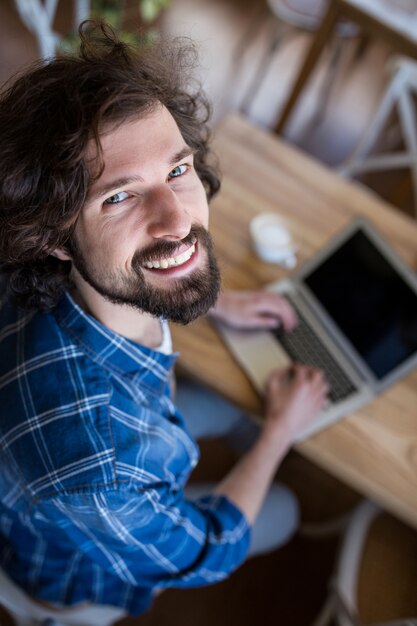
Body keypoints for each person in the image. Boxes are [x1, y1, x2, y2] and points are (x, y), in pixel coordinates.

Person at [0, 21, 328, 625]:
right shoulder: (102, 468)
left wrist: (204, 297)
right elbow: (210, 552)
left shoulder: (54, 272)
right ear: (51, 237)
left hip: (120, 423)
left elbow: (154, 244)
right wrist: (280, 434)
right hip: (73, 578)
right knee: (278, 507)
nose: (179, 221)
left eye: (178, 169)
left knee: (238, 409)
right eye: (119, 197)